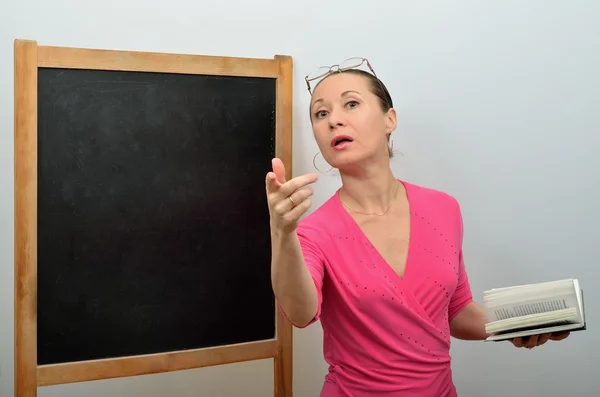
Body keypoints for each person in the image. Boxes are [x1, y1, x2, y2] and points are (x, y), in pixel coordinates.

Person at [265, 58, 569, 396]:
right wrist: (283, 233)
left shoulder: (443, 208)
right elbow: (300, 312)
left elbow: (456, 311)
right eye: (321, 114)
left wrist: (515, 326)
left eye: (351, 104)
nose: (334, 120)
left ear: (389, 120)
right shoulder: (313, 233)